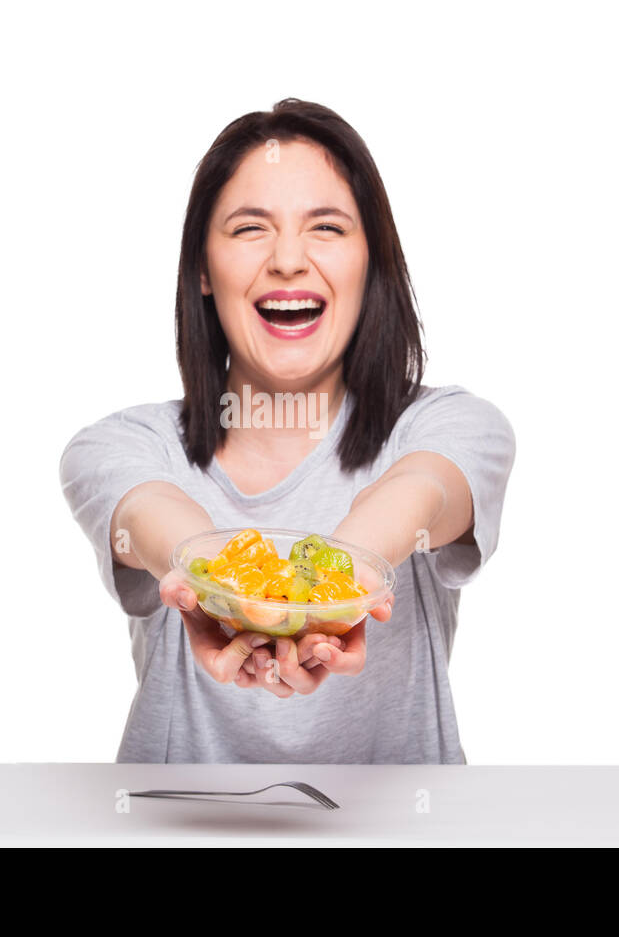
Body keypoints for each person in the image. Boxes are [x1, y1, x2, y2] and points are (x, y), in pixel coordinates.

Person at [60, 98, 515, 763]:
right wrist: (232, 595)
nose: (288, 260)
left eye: (326, 227)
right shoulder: (119, 446)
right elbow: (164, 521)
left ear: (372, 263)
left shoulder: (454, 426)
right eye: (249, 229)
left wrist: (327, 592)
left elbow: (419, 493)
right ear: (202, 273)